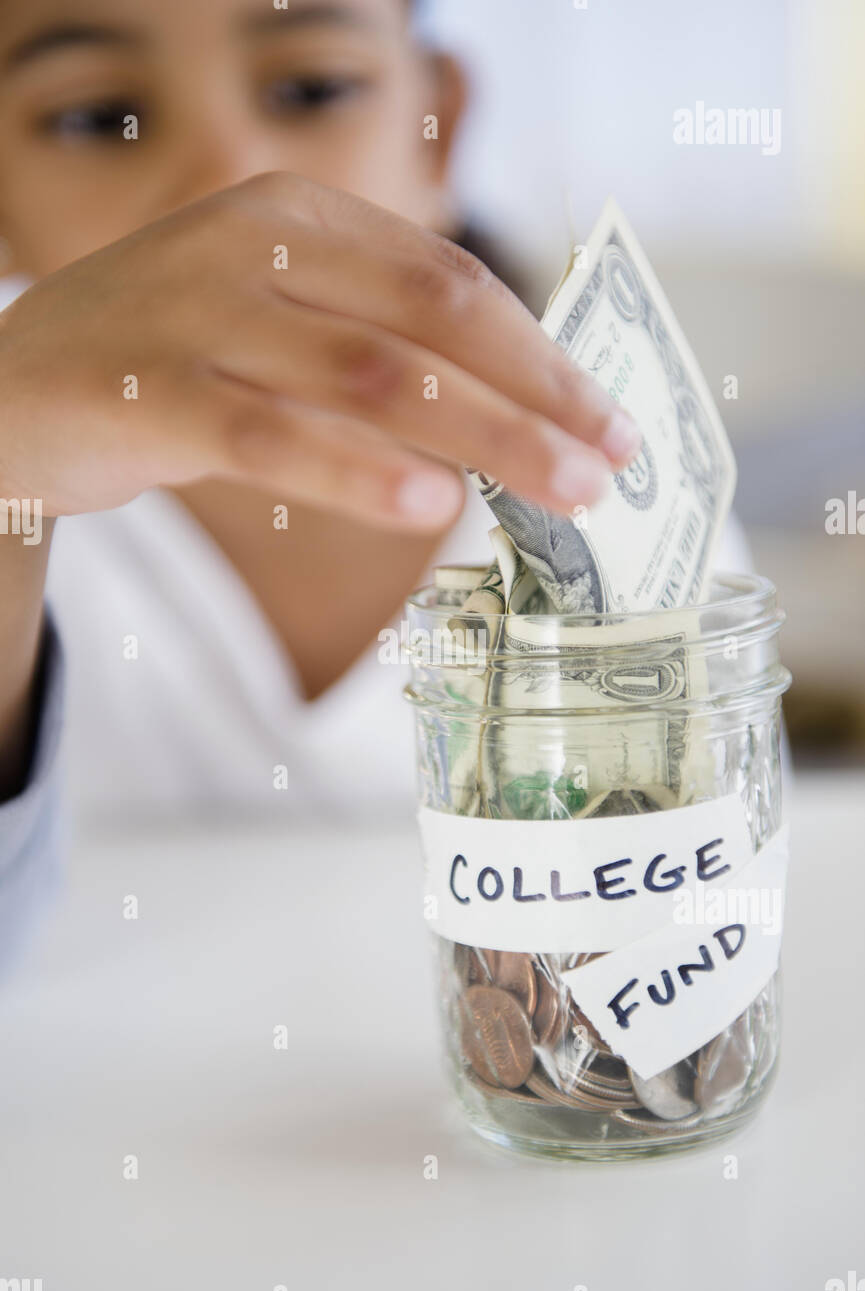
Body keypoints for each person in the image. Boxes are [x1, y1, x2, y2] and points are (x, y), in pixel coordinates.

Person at [0, 0, 748, 929]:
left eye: (311, 89)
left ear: (439, 129)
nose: (233, 186)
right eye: (98, 117)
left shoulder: (615, 475)